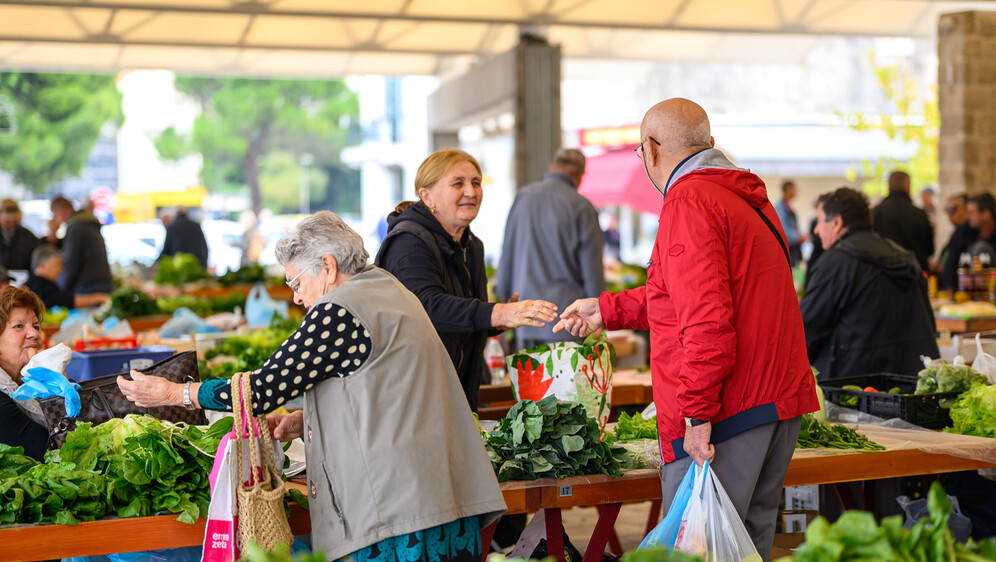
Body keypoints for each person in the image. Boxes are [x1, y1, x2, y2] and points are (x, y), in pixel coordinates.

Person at [118, 211, 506, 562]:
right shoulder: (388, 288)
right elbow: (385, 385)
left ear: (328, 266)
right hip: (441, 496)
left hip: (399, 514)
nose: (296, 296)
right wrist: (306, 418)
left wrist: (175, 394)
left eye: (296, 281)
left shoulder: (340, 309)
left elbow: (264, 389)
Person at [554, 98, 819, 560]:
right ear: (709, 145)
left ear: (651, 149)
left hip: (729, 411)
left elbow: (707, 321)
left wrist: (696, 415)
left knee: (697, 550)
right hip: (776, 404)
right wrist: (607, 308)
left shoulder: (689, 200)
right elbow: (683, 296)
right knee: (746, 546)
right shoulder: (743, 195)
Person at [374, 149, 558, 411]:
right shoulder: (409, 242)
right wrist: (498, 313)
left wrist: (497, 324)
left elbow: (460, 315)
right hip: (412, 399)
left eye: (475, 182)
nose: (471, 192)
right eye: (457, 183)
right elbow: (426, 307)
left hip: (457, 393)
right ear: (427, 196)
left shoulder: (472, 245)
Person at [801, 188, 939, 380]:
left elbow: (806, 331)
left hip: (851, 387)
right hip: (909, 381)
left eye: (820, 221)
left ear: (837, 223)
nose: (816, 230)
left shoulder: (834, 263)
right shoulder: (904, 256)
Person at [494, 148, 605, 351]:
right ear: (580, 175)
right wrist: (601, 312)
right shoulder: (582, 207)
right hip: (566, 321)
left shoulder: (523, 197)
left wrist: (503, 300)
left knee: (529, 380)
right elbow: (592, 269)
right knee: (565, 381)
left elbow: (507, 251)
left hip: (525, 318)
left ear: (552, 167)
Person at [0, 286, 50, 461]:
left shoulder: (27, 385)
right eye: (18, 326)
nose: (34, 334)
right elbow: (50, 452)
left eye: (36, 326)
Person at [872, 171, 934, 272]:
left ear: (889, 188)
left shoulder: (875, 213)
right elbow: (929, 249)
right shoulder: (919, 214)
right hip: (914, 274)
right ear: (907, 188)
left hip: (883, 274)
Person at [25, 245, 109, 309]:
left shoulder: (30, 283)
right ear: (42, 265)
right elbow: (67, 301)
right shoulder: (40, 285)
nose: (61, 269)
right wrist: (99, 298)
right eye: (57, 265)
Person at [944, 193, 996, 291]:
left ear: (986, 215)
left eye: (971, 213)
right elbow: (951, 263)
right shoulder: (963, 232)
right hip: (966, 292)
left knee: (980, 248)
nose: (967, 217)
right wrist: (949, 288)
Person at [61, 201, 114, 296]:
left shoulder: (76, 228)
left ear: (61, 211)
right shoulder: (88, 224)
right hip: (103, 282)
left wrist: (62, 289)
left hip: (87, 286)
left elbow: (71, 262)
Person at [939, 193, 975, 290]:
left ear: (965, 210)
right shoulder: (956, 233)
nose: (949, 213)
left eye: (952, 208)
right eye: (947, 209)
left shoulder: (969, 233)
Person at [0, 199, 41, 271]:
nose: (11, 222)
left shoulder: (27, 236)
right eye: (7, 219)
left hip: (22, 279)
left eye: (13, 219)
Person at [774, 180, 806, 266]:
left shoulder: (788, 207)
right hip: (787, 250)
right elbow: (783, 230)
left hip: (793, 250)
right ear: (787, 190)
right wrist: (798, 238)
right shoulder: (779, 208)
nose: (795, 192)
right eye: (793, 189)